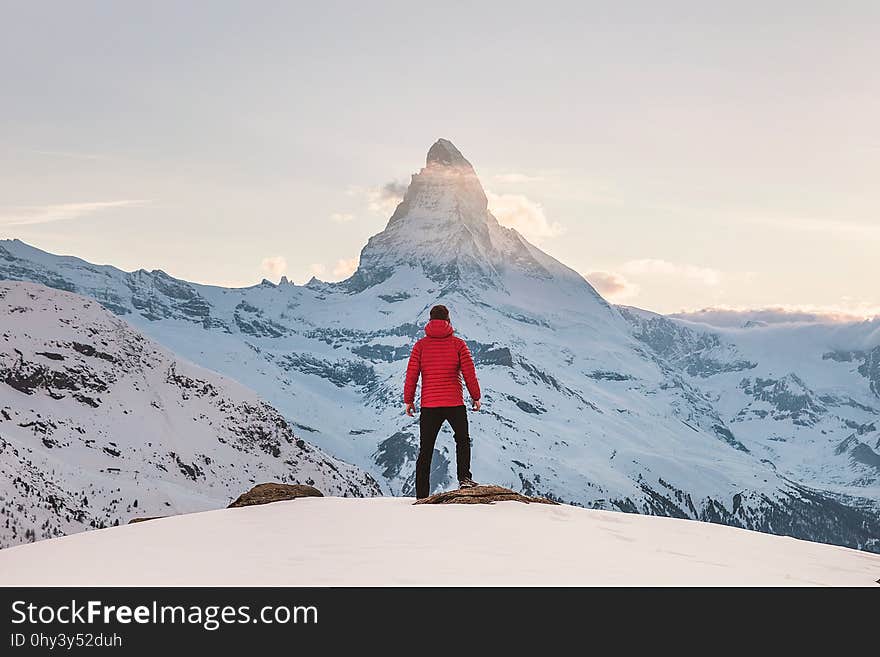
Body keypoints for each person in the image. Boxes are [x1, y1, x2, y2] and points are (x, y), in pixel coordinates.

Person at [404, 304, 481, 499]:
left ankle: (421, 495)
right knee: (462, 440)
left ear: (430, 321)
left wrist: (409, 400)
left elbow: (412, 375)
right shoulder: (458, 344)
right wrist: (476, 397)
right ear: (448, 321)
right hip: (454, 403)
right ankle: (464, 478)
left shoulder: (420, 345)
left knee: (426, 449)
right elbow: (469, 373)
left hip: (430, 405)